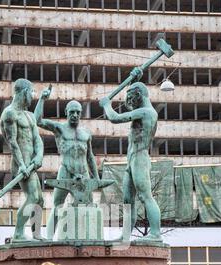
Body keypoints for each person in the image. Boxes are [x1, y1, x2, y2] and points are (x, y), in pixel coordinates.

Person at [99, 75, 163, 244]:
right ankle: (125, 236)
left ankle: (156, 233)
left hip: (140, 158)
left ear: (139, 95)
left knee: (145, 196)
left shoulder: (146, 112)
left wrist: (107, 104)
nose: (129, 102)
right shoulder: (140, 112)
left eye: (131, 98)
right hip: (131, 160)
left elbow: (114, 118)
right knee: (128, 200)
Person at [34, 86, 100, 239]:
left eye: (78, 112)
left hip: (83, 174)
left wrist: (96, 178)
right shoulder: (59, 129)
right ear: (66, 113)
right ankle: (49, 239)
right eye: (72, 112)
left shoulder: (86, 133)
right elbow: (38, 120)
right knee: (57, 205)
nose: (75, 115)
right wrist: (42, 99)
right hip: (66, 172)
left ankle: (92, 239)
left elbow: (90, 156)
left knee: (88, 207)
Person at [0, 78, 44, 241]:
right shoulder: (9, 114)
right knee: (32, 197)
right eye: (31, 93)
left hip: (31, 164)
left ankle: (36, 234)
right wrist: (22, 165)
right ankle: (18, 233)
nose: (32, 97)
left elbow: (37, 139)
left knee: (39, 199)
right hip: (21, 165)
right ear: (24, 92)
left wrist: (39, 156)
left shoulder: (30, 116)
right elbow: (12, 142)